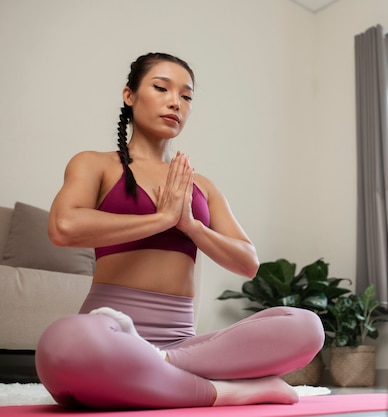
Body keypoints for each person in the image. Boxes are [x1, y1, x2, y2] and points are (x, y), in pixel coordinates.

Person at [35, 52, 325, 410]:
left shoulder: (200, 185)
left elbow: (248, 262)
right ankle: (225, 391)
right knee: (63, 343)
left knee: (307, 326)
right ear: (130, 95)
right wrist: (161, 219)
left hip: (186, 348)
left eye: (186, 96)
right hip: (107, 334)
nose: (176, 102)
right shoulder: (95, 164)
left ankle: (161, 365)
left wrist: (190, 225)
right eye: (161, 88)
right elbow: (64, 227)